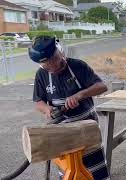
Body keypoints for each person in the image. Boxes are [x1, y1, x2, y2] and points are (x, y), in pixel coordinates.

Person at [29, 35, 109, 180]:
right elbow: (38, 102)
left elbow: (102, 86)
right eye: (47, 65)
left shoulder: (78, 66)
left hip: (87, 129)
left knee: (95, 171)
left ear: (59, 51)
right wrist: (48, 110)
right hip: (63, 133)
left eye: (55, 61)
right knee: (69, 172)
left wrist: (80, 95)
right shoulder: (41, 74)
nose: (53, 68)